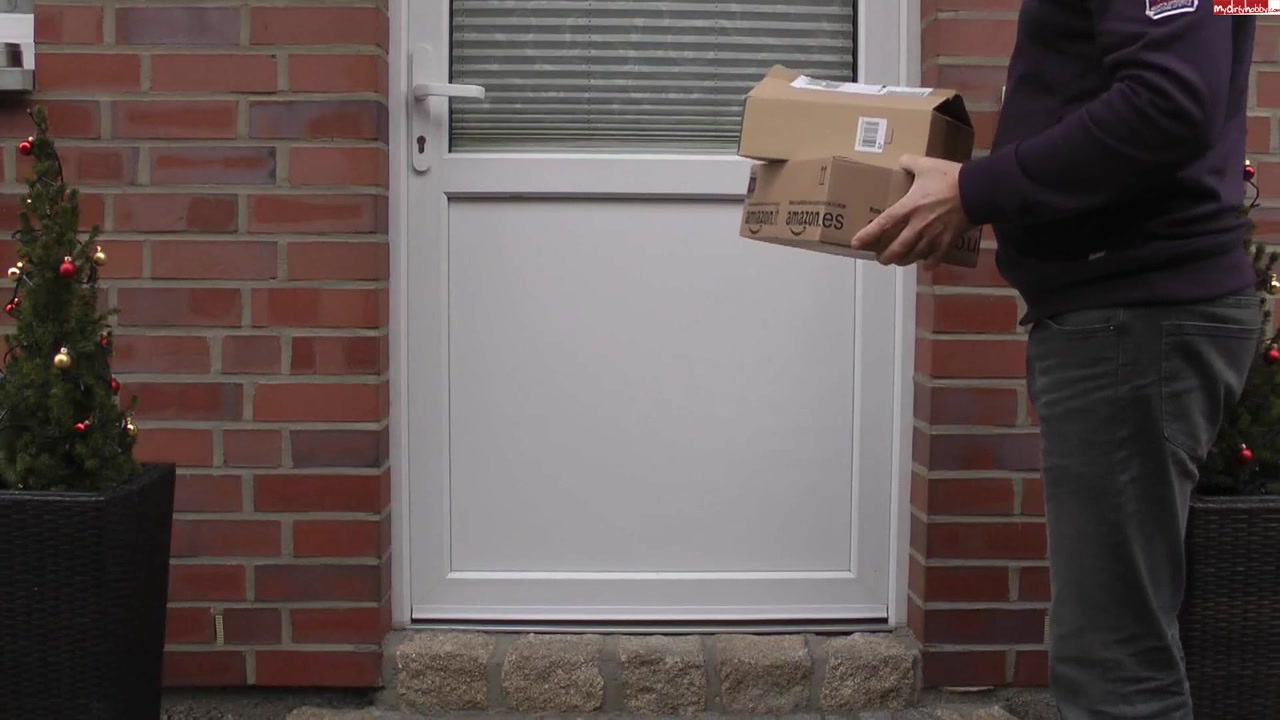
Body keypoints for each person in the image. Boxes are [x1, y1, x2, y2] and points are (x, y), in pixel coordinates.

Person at [850, 3, 1260, 719]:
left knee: (1114, 664)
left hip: (1134, 313)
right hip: (1129, 314)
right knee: (1119, 641)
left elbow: (1169, 103)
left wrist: (973, 191)